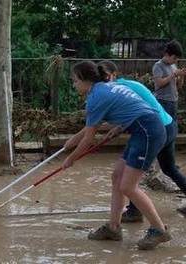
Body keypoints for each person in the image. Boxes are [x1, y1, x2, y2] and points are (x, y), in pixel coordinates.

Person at [63, 61, 170, 250]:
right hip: (142, 130)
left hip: (147, 131)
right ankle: (113, 228)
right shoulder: (104, 89)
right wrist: (72, 141)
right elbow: (90, 128)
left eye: (74, 81)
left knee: (128, 186)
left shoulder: (96, 98)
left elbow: (89, 139)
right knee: (117, 176)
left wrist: (71, 159)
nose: (73, 85)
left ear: (85, 80)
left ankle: (159, 229)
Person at [97, 60, 186, 222]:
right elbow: (139, 110)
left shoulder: (118, 89)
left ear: (112, 75)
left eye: (103, 80)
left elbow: (137, 112)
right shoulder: (129, 84)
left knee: (132, 170)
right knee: (169, 168)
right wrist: (119, 127)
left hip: (153, 130)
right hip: (168, 125)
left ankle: (135, 211)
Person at [153, 40, 186, 121]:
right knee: (165, 127)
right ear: (166, 54)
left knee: (173, 128)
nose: (175, 60)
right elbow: (159, 83)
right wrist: (174, 75)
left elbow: (179, 86)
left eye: (177, 58)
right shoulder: (158, 66)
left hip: (173, 101)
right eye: (174, 58)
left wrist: (181, 76)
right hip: (163, 101)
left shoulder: (173, 65)